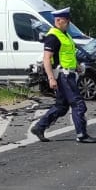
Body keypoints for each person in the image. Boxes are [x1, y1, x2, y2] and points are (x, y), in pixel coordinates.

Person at [31, 8, 92, 143]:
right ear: (58, 21)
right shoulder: (53, 36)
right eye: (66, 20)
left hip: (69, 73)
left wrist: (77, 66)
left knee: (61, 106)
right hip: (62, 75)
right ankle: (82, 134)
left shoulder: (65, 35)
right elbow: (47, 58)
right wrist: (51, 78)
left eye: (68, 20)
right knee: (78, 104)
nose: (68, 23)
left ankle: (39, 127)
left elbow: (67, 54)